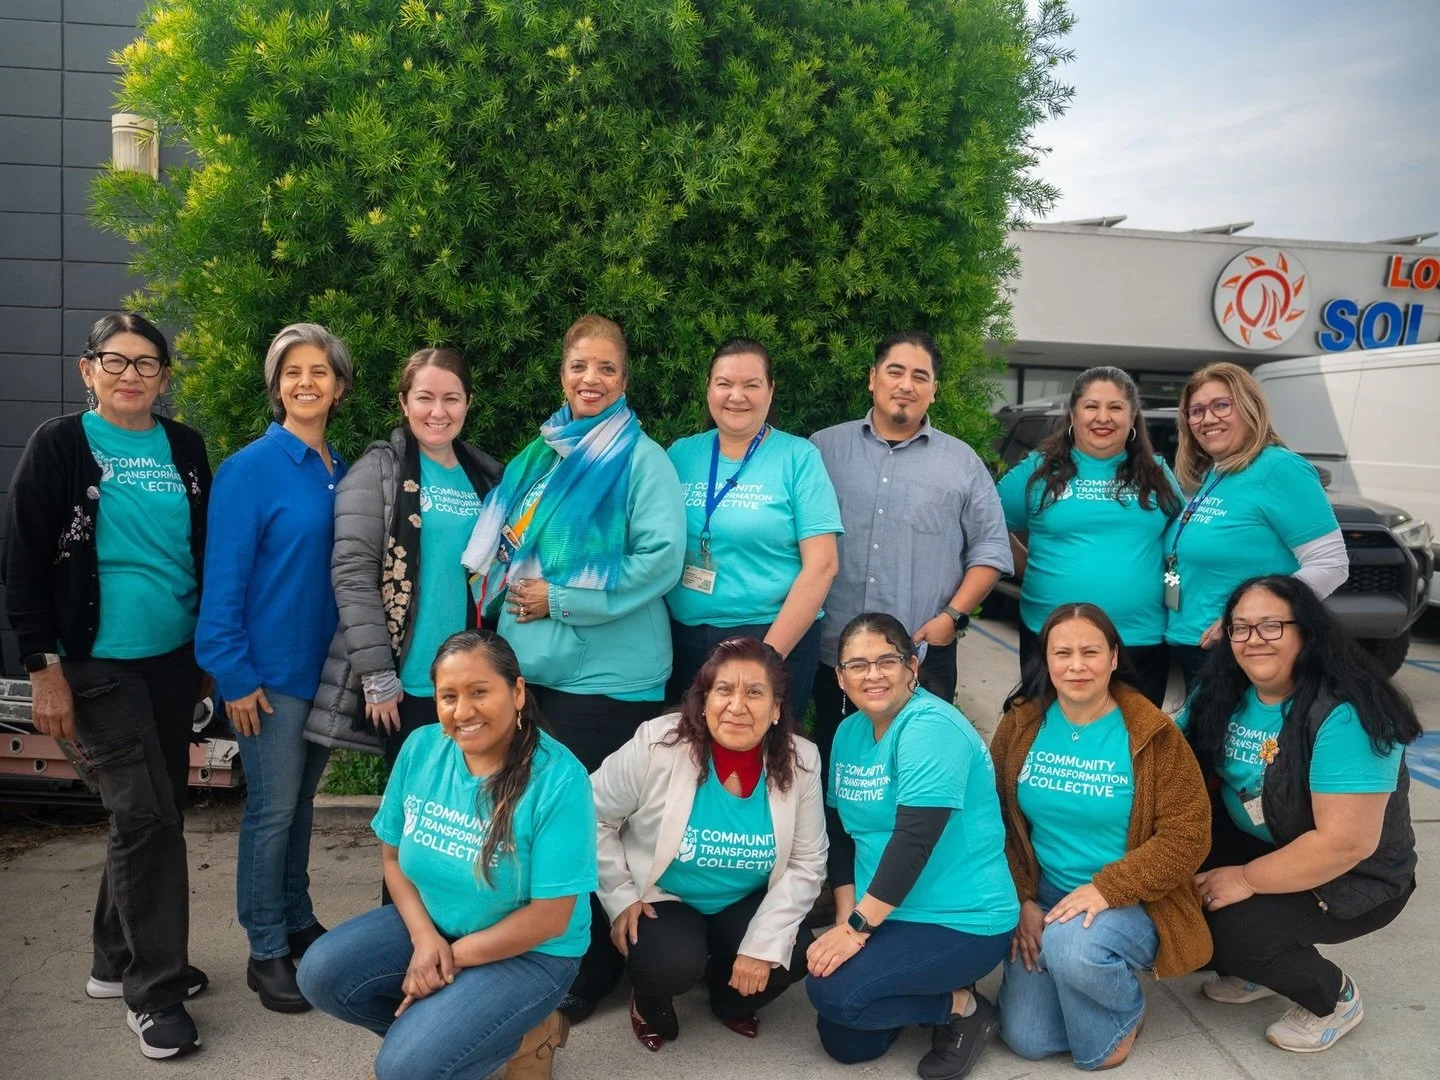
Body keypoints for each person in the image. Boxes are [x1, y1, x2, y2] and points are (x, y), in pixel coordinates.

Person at [2, 313, 212, 1060]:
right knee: (148, 816)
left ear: (164, 376)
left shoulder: (184, 447)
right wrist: (42, 666)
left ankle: (112, 958)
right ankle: (153, 993)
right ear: (87, 370)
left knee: (155, 810)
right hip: (93, 664)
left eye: (147, 363)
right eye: (115, 361)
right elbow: (23, 561)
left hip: (171, 658)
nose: (131, 375)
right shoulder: (60, 446)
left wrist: (208, 652)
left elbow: (201, 549)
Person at [297, 630, 597, 1080]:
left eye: (480, 692)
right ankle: (500, 1038)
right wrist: (425, 941)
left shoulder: (559, 779)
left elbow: (550, 918)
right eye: (448, 696)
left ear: (516, 693)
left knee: (404, 1068)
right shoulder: (421, 748)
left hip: (532, 951)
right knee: (321, 974)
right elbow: (393, 861)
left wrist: (447, 960)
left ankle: (494, 1036)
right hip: (436, 925)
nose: (463, 711)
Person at [1182, 575, 1419, 1054]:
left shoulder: (1347, 712)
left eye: (1271, 626)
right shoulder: (1224, 685)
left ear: (1307, 630)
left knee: (1225, 929)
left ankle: (1333, 997)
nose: (1253, 641)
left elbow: (1344, 844)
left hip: (1354, 875)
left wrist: (1245, 880)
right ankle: (1252, 969)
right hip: (1267, 841)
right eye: (1240, 628)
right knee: (1177, 895)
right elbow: (1164, 744)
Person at [195, 323, 351, 1014]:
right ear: (277, 385)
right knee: (271, 810)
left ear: (339, 386)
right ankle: (264, 950)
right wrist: (234, 674)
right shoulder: (249, 470)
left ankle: (296, 916)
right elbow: (221, 581)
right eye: (293, 372)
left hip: (327, 673)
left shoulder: (339, 469)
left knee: (299, 806)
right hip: (268, 678)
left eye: (320, 371)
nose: (306, 383)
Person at [990, 603, 1211, 1071]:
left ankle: (1124, 1008)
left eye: (1090, 652)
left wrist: (1108, 888)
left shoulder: (1152, 733)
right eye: (1062, 652)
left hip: (1130, 899)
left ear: (1114, 657)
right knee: (1028, 1039)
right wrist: (1023, 900)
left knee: (1078, 973)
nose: (1076, 665)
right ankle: (1078, 968)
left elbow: (1187, 835)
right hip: (1045, 896)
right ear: (1045, 660)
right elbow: (998, 820)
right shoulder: (1021, 723)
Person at [460, 314, 685, 773]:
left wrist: (560, 599)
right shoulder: (543, 453)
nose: (591, 379)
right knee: (531, 811)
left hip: (604, 681)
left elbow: (661, 562)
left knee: (585, 819)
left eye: (606, 368)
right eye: (579, 366)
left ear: (623, 381)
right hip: (534, 668)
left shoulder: (644, 460)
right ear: (563, 375)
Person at [588, 637, 827, 1050]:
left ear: (775, 710)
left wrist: (762, 945)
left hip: (742, 898)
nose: (737, 705)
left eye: (754, 692)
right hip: (664, 895)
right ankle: (648, 998)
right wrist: (621, 896)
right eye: (724, 690)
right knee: (668, 965)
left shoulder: (801, 759)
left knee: (795, 948)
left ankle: (728, 997)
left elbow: (807, 861)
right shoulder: (659, 743)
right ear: (703, 701)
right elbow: (591, 815)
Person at [807, 613, 1018, 1080]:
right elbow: (841, 831)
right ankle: (922, 994)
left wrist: (858, 928)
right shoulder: (849, 733)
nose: (873, 674)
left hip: (961, 919)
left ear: (913, 668)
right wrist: (846, 912)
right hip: (888, 912)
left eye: (887, 660)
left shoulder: (930, 727)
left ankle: (962, 1006)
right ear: (840, 678)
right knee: (844, 1040)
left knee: (834, 996)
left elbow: (914, 839)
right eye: (857, 665)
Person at [809, 331, 1011, 770]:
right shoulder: (822, 450)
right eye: (895, 371)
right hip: (833, 655)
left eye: (920, 376)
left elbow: (992, 549)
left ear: (934, 391)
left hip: (922, 654)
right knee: (834, 773)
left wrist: (951, 617)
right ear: (872, 378)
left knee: (919, 775)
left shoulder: (961, 463)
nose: (906, 384)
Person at [307, 348, 501, 768]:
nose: (438, 411)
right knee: (415, 811)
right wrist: (377, 673)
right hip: (409, 680)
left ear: (468, 402)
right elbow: (353, 575)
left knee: (472, 807)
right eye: (425, 397)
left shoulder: (487, 478)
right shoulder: (379, 471)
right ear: (404, 402)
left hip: (474, 678)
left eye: (451, 398)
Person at [665, 338, 842, 716]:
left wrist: (765, 656)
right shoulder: (680, 454)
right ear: (709, 387)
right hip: (686, 640)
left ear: (770, 390)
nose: (736, 396)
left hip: (772, 638)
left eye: (751, 385)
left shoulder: (798, 458)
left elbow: (823, 564)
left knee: (768, 765)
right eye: (724, 383)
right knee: (688, 761)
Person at [997, 367, 1181, 706]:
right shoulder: (1038, 470)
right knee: (1054, 745)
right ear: (1073, 413)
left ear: (1132, 416)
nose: (1103, 417)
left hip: (1140, 641)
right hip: (1051, 638)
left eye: (1115, 407)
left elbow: (1182, 546)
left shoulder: (1157, 474)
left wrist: (1175, 595)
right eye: (1091, 406)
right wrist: (1029, 568)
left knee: (1133, 750)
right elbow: (988, 528)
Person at [1166, 362, 1346, 690]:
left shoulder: (1279, 468)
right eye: (1196, 411)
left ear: (1250, 406)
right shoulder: (1217, 472)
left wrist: (1251, 619)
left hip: (1246, 655)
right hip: (1194, 650)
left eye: (1221, 405)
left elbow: (1331, 564)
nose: (1207, 419)